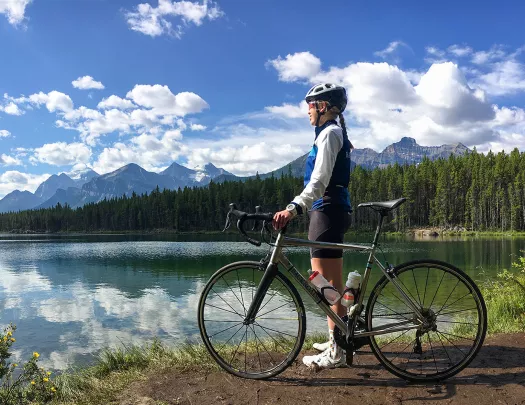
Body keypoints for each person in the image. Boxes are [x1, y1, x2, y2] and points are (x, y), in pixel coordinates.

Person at [273, 83, 353, 369]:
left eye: (310, 105)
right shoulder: (328, 134)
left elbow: (318, 181)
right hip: (330, 210)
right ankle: (338, 336)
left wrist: (294, 207)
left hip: (327, 210)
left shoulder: (330, 133)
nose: (307, 111)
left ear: (323, 106)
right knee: (331, 284)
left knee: (326, 285)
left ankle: (336, 352)